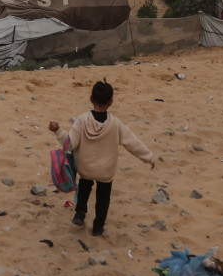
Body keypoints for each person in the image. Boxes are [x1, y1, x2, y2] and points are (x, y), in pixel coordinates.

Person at [49, 79, 156, 237]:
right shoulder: (116, 124)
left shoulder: (82, 120)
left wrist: (58, 130)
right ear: (111, 102)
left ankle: (80, 213)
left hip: (85, 168)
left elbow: (69, 144)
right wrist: (149, 157)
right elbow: (133, 143)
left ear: (91, 99)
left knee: (84, 187)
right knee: (103, 198)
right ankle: (98, 226)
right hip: (106, 171)